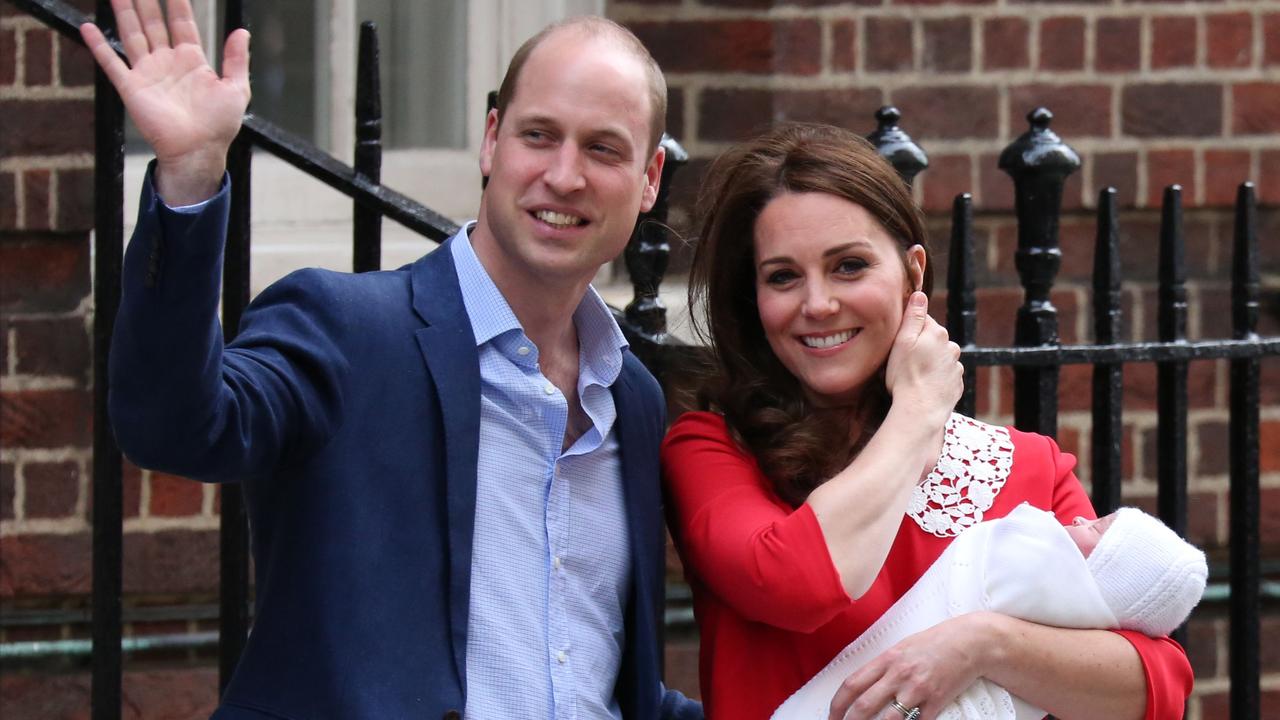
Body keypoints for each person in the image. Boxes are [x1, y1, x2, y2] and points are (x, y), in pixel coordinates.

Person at [82, 2, 702, 718]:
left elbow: (607, 682)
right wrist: (189, 176)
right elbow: (170, 425)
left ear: (650, 177)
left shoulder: (632, 396)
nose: (564, 176)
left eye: (603, 149)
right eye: (539, 135)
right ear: (492, 139)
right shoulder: (346, 332)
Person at [659, 123, 1193, 720]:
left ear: (913, 273)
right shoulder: (711, 449)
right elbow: (796, 583)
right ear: (753, 300)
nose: (816, 304)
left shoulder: (1024, 466)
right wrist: (917, 412)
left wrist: (981, 646)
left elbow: (1157, 683)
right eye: (783, 276)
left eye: (849, 266)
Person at [774, 504, 1208, 719]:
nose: (1070, 520)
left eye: (1093, 525)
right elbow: (785, 578)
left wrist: (981, 643)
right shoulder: (724, 447)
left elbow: (1159, 678)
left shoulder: (1035, 465)